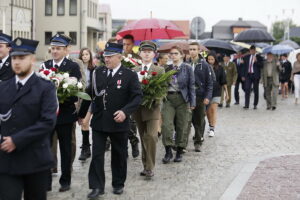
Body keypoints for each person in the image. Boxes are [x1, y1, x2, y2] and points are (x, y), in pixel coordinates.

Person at [78, 42, 142, 199]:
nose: (106, 60)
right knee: (97, 155)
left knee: (119, 154)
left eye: (110, 57)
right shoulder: (97, 73)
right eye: (105, 56)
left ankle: (118, 183)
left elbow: (137, 97)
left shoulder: (129, 75)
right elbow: (90, 94)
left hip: (119, 121)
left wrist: (125, 112)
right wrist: (81, 115)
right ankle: (96, 187)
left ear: (119, 57)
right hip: (100, 120)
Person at [0, 37, 57, 200]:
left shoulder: (45, 88)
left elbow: (47, 122)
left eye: (22, 58)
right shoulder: (3, 87)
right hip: (7, 160)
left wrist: (16, 140)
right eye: (14, 58)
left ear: (32, 59)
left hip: (35, 159)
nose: (17, 62)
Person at [42, 33, 82, 192]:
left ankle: (65, 180)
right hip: (47, 115)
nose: (55, 51)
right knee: (45, 148)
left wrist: (61, 95)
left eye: (58, 49)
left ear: (66, 50)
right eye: (53, 48)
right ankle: (45, 181)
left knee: (66, 149)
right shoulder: (44, 66)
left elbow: (77, 90)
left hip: (65, 114)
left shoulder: (72, 67)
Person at [132, 41, 164, 178]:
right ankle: (145, 165)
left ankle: (150, 167)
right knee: (143, 136)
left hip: (152, 108)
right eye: (144, 51)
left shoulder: (159, 70)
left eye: (149, 51)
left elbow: (163, 90)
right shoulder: (134, 70)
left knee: (151, 136)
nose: (146, 53)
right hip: (138, 108)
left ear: (154, 54)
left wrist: (154, 98)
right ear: (139, 53)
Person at [161, 46, 195, 163]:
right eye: (171, 54)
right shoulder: (167, 68)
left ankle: (180, 150)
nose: (173, 55)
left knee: (182, 125)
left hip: (183, 99)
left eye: (176, 53)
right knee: (166, 125)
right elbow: (162, 84)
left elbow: (191, 86)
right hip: (168, 98)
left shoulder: (187, 68)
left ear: (181, 55)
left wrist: (192, 102)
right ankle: (168, 151)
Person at [186, 42, 213, 152]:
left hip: (200, 96)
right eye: (190, 49)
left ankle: (198, 141)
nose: (192, 51)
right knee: (187, 120)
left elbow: (210, 83)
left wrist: (207, 97)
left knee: (199, 120)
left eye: (194, 49)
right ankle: (182, 143)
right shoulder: (185, 64)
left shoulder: (204, 65)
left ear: (198, 51)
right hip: (187, 96)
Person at [122, 34, 140, 158]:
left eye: (128, 44)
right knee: (121, 121)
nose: (126, 46)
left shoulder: (137, 58)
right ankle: (124, 147)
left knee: (131, 122)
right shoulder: (119, 57)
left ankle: (134, 141)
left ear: (132, 45)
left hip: (131, 93)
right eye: (124, 44)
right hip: (120, 92)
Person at [78, 47, 96, 161]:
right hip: (80, 99)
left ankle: (86, 148)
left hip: (90, 99)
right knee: (83, 123)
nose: (85, 56)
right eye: (83, 54)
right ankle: (86, 147)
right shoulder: (77, 69)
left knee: (85, 122)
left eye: (87, 54)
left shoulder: (94, 69)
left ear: (90, 56)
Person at [206, 53, 228, 137]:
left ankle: (212, 128)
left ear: (215, 60)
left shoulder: (220, 68)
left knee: (213, 109)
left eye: (212, 59)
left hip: (217, 92)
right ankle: (210, 124)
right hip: (207, 92)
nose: (210, 61)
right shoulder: (204, 68)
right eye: (209, 59)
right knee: (207, 111)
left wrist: (227, 93)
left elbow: (224, 81)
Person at [242, 45, 263, 110]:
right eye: (251, 50)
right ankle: (246, 104)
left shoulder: (259, 57)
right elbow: (244, 67)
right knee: (247, 89)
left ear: (255, 51)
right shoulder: (246, 57)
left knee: (256, 90)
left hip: (255, 75)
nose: (252, 51)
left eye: (253, 50)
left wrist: (256, 61)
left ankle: (255, 104)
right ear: (250, 51)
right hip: (248, 75)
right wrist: (243, 75)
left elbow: (262, 66)